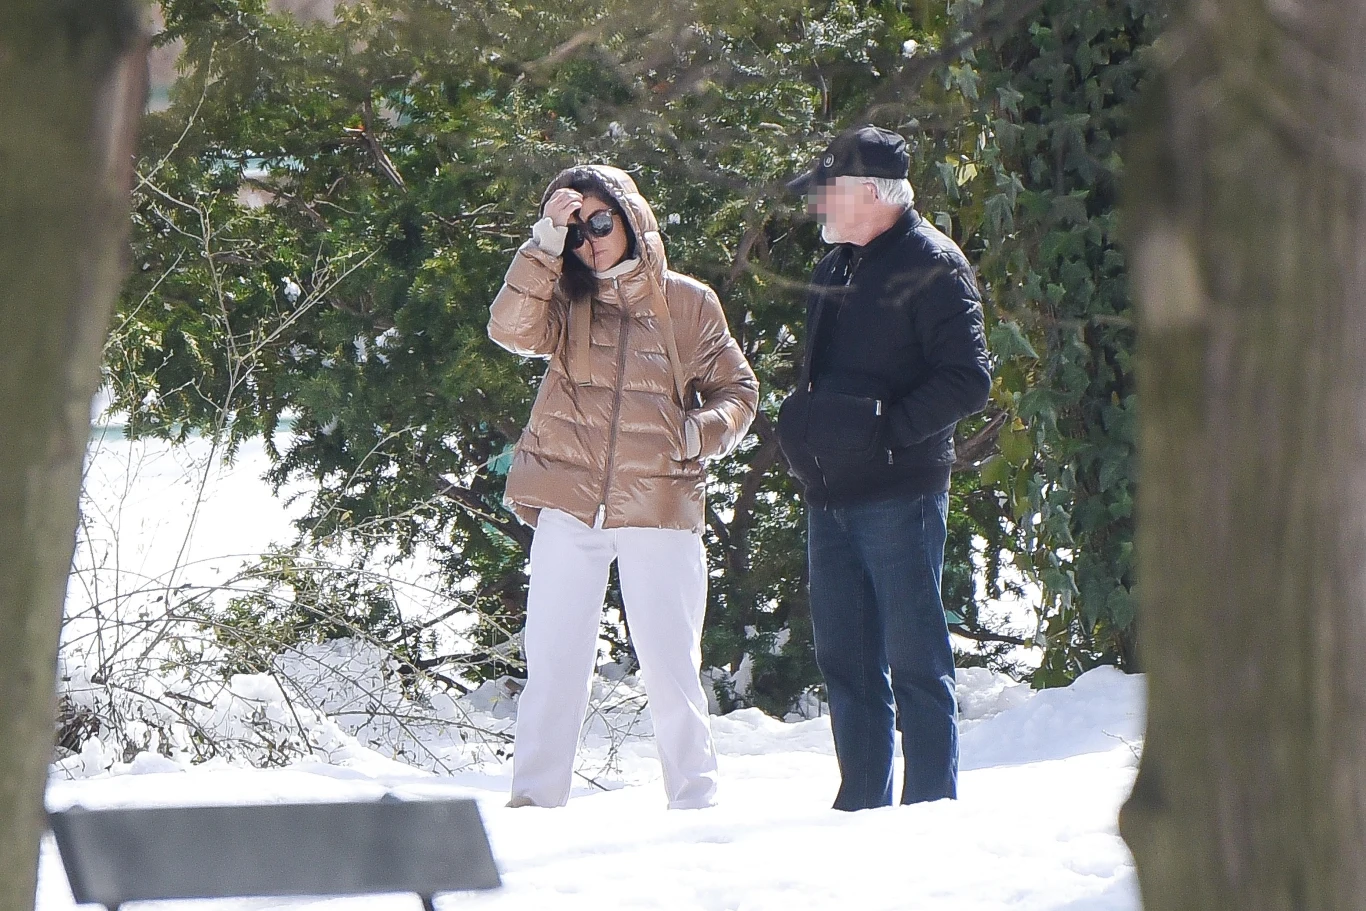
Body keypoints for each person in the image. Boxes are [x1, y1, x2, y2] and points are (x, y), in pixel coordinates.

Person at [488, 165, 758, 810]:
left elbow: (739, 391)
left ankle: (696, 804)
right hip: (568, 504)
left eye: (601, 222)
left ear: (632, 218)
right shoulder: (565, 296)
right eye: (577, 231)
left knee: (670, 669)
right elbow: (510, 329)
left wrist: (697, 435)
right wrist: (544, 242)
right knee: (552, 665)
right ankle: (534, 804)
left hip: (659, 505)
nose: (592, 240)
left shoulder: (687, 302)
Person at [777, 126, 991, 810]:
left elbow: (968, 379)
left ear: (871, 194)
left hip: (900, 492)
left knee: (915, 662)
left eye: (827, 193)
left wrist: (886, 437)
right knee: (845, 661)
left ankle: (931, 810)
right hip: (830, 493)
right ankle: (861, 806)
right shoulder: (835, 263)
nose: (818, 207)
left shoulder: (935, 263)